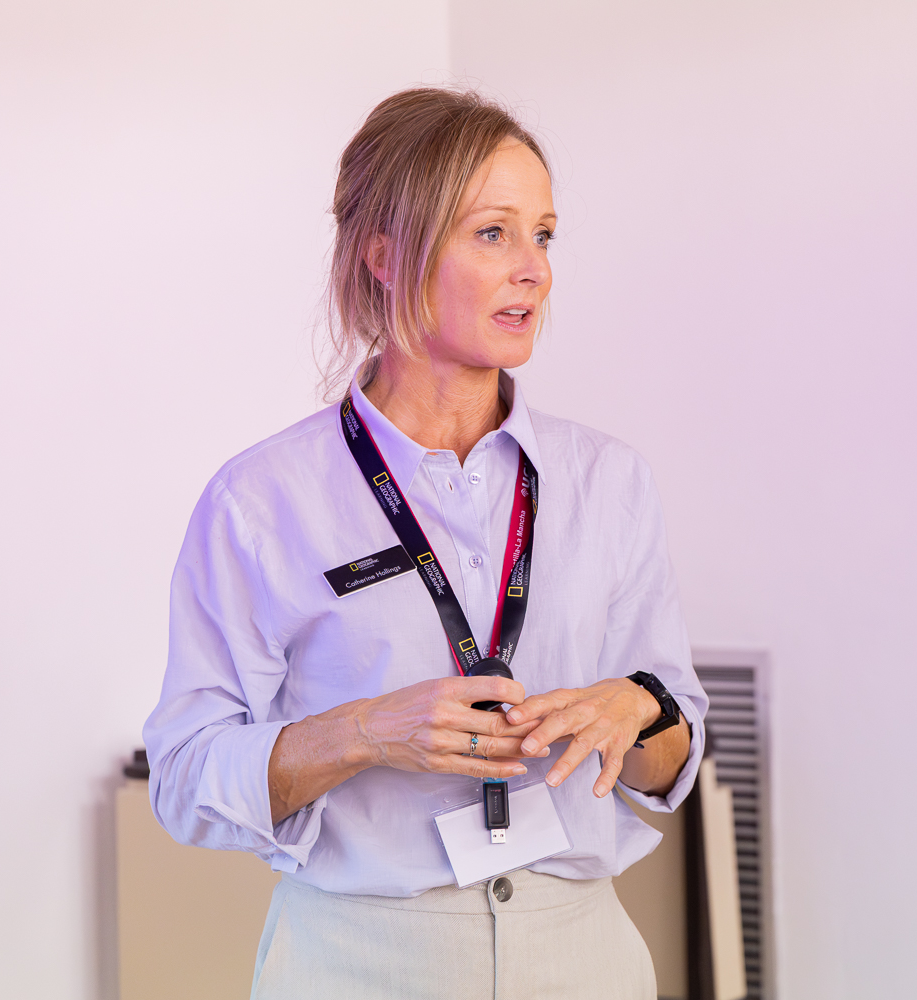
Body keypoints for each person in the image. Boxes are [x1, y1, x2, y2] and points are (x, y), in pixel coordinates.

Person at [143, 88, 706, 999]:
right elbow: (183, 778)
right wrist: (366, 732)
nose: (535, 271)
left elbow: (669, 761)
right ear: (386, 255)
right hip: (358, 959)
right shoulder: (261, 500)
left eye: (544, 235)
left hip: (583, 956)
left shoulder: (611, 480)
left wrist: (637, 708)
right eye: (493, 233)